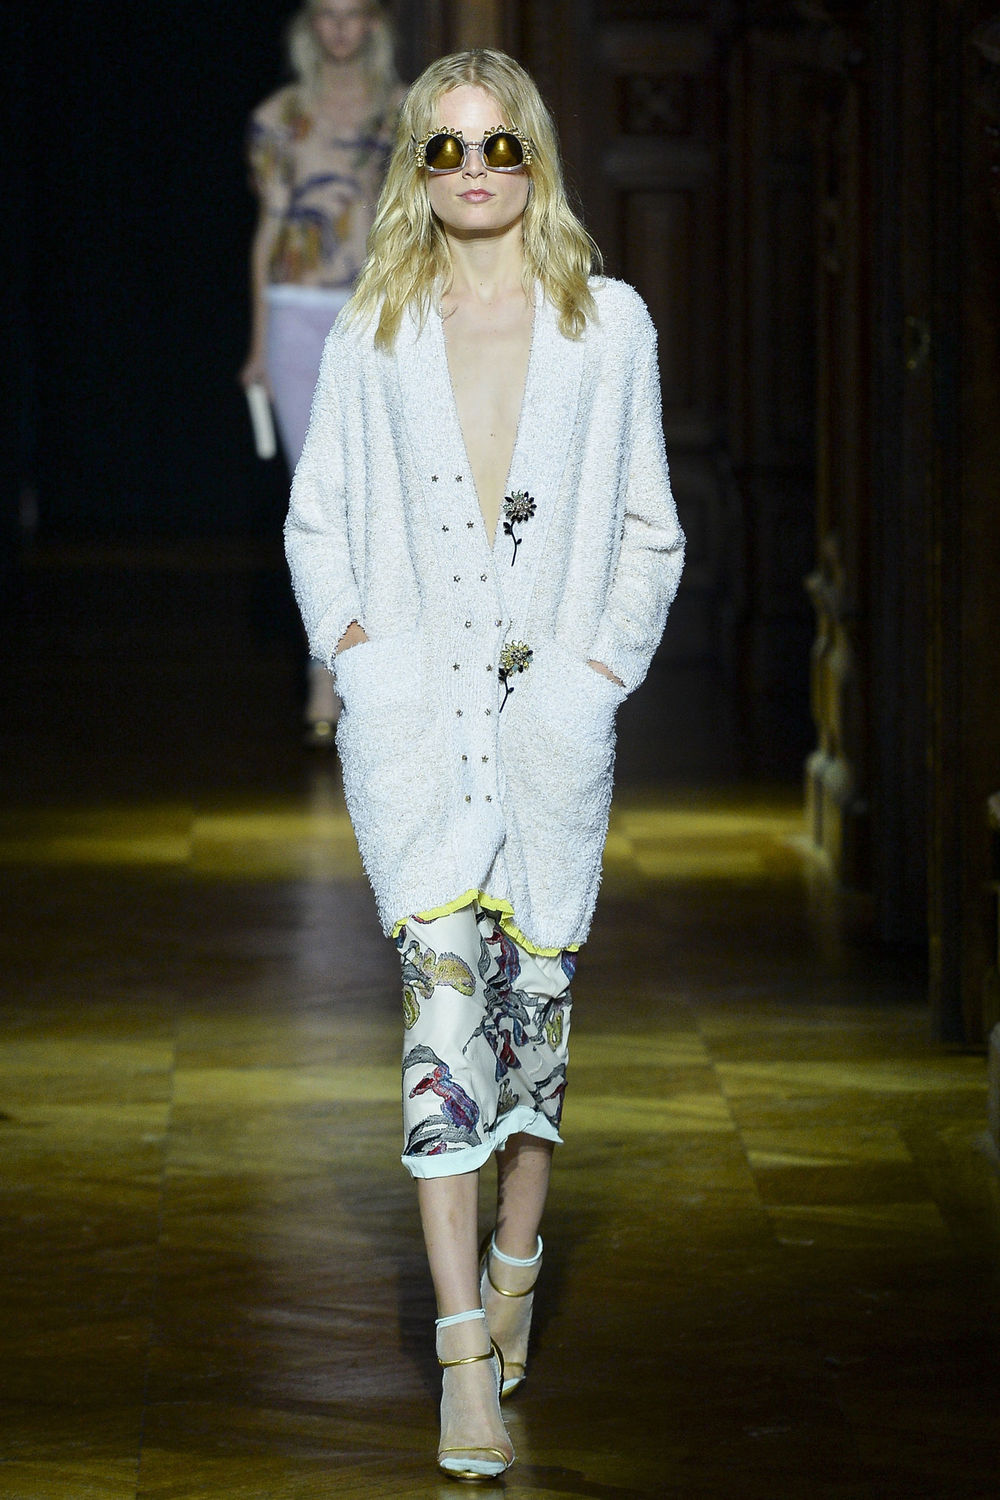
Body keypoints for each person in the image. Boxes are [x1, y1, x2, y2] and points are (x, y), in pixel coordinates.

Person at [285, 48, 685, 1481]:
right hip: (420, 742)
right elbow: (318, 518)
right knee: (444, 1040)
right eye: (446, 146)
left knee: (534, 1036)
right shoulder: (376, 330)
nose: (473, 169)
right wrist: (360, 655)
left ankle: (520, 1256)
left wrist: (592, 681)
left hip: (547, 747)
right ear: (416, 165)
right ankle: (464, 1350)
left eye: (498, 144)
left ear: (536, 158)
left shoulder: (607, 326)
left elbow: (649, 530)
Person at [240, 0, 403, 745]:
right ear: (309, 25)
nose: (340, 29)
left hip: (378, 314)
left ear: (374, 23)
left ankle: (374, 668)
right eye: (327, 15)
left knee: (381, 497)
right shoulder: (278, 117)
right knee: (316, 503)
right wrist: (257, 347)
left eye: (353, 13)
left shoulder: (407, 112)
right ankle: (324, 673)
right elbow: (268, 232)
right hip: (296, 316)